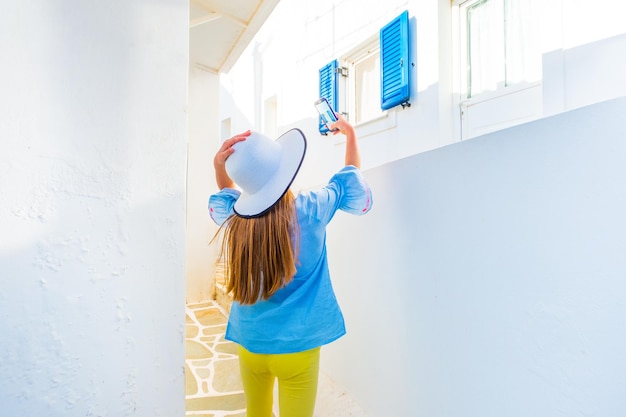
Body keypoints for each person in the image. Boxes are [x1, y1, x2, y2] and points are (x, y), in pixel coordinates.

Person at [208, 115, 372, 417]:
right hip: (298, 348)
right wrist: (349, 134)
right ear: (285, 170)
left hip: (251, 341)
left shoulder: (236, 221)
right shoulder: (312, 208)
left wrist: (221, 167)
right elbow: (349, 180)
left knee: (256, 413)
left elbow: (226, 196)